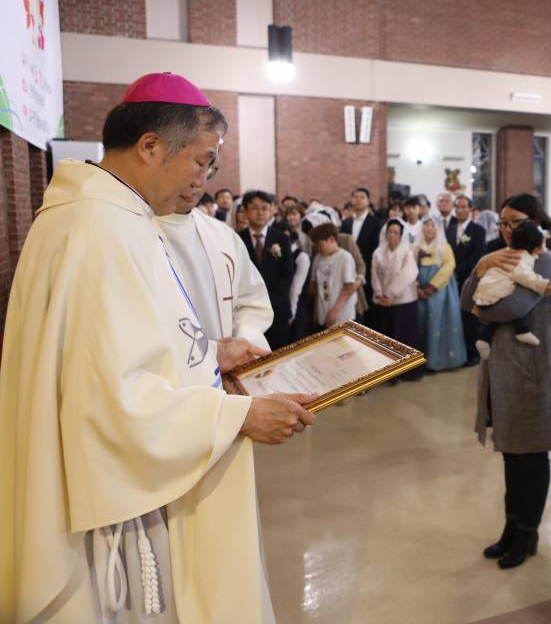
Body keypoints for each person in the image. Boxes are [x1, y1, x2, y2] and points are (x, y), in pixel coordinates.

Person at [0, 72, 316, 623]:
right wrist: (240, 415)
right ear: (150, 146)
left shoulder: (108, 217)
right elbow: (109, 401)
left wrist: (213, 355)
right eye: (201, 160)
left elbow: (122, 347)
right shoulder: (99, 229)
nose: (205, 178)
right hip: (114, 513)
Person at [460, 193, 551, 570]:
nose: (509, 230)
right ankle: (511, 527)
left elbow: (512, 307)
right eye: (504, 222)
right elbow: (464, 299)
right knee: (511, 454)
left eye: (516, 222)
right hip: (503, 368)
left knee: (531, 455)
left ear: (536, 221)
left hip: (532, 370)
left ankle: (528, 533)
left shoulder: (547, 260)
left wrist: (480, 303)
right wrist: (481, 266)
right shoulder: (498, 256)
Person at [156, 189, 274, 353]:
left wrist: (243, 338)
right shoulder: (136, 229)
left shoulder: (222, 235)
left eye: (210, 167)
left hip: (232, 366)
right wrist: (212, 353)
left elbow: (252, 302)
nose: (199, 179)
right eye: (197, 163)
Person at [473, 221, 551, 359]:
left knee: (490, 319)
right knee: (517, 299)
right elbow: (526, 276)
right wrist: (542, 285)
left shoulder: (506, 251)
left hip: (483, 292)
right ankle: (522, 331)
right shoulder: (521, 258)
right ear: (534, 248)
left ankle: (483, 338)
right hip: (496, 293)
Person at [238, 190, 296, 349]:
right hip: (247, 312)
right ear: (245, 210)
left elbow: (287, 274)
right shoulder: (236, 238)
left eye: (265, 208)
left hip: (277, 309)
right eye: (255, 208)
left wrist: (268, 300)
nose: (260, 212)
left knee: (279, 355)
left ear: (272, 210)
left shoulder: (282, 238)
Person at [372, 220, 424, 381]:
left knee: (404, 337)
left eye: (395, 232)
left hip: (404, 301)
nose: (392, 235)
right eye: (390, 232)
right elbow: (374, 274)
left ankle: (407, 372)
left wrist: (390, 294)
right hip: (383, 301)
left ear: (401, 235)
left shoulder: (406, 252)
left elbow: (408, 274)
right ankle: (389, 373)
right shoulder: (378, 252)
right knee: (388, 337)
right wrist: (380, 293)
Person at [414, 216, 467, 371]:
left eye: (432, 225)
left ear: (438, 229)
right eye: (426, 225)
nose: (429, 228)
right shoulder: (415, 247)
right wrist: (417, 286)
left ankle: (439, 361)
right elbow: (410, 267)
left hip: (440, 290)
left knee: (437, 321)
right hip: (418, 290)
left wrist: (431, 287)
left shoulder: (444, 246)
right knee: (421, 322)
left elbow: (449, 267)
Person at [450, 195, 487, 366]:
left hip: (468, 278)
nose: (460, 210)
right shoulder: (449, 228)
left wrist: (457, 270)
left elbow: (477, 257)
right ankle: (457, 350)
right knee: (453, 315)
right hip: (449, 280)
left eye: (464, 207)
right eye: (457, 206)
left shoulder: (478, 230)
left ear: (470, 209)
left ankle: (472, 353)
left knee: (468, 316)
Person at [341, 186, 383, 328]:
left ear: (368, 201)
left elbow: (377, 250)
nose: (358, 200)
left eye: (362, 197)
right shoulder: (345, 223)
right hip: (348, 273)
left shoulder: (376, 223)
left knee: (369, 312)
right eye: (355, 197)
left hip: (369, 273)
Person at [309, 223, 359, 330]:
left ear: (331, 239)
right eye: (316, 245)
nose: (318, 248)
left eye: (320, 245)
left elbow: (348, 289)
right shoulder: (318, 258)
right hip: (323, 312)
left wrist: (335, 311)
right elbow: (315, 285)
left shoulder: (345, 257)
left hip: (342, 314)